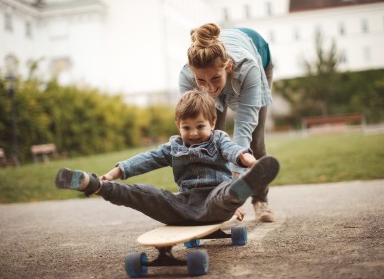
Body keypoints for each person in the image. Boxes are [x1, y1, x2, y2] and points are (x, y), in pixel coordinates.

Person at [55, 90, 279, 225]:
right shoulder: (174, 147)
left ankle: (240, 190)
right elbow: (145, 159)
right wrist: (113, 173)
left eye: (200, 126)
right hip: (184, 205)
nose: (192, 133)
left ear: (212, 123)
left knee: (225, 194)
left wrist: (249, 161)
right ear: (177, 126)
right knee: (146, 194)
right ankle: (96, 185)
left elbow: (232, 149)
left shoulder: (218, 139)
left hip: (215, 200)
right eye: (186, 127)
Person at [179, 23, 275, 222]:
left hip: (258, 55)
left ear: (228, 67)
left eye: (215, 78)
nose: (210, 88)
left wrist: (232, 187)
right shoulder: (187, 77)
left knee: (255, 143)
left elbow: (244, 127)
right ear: (192, 73)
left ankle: (260, 201)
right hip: (225, 60)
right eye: (201, 81)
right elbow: (195, 134)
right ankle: (209, 199)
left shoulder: (247, 68)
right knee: (207, 139)